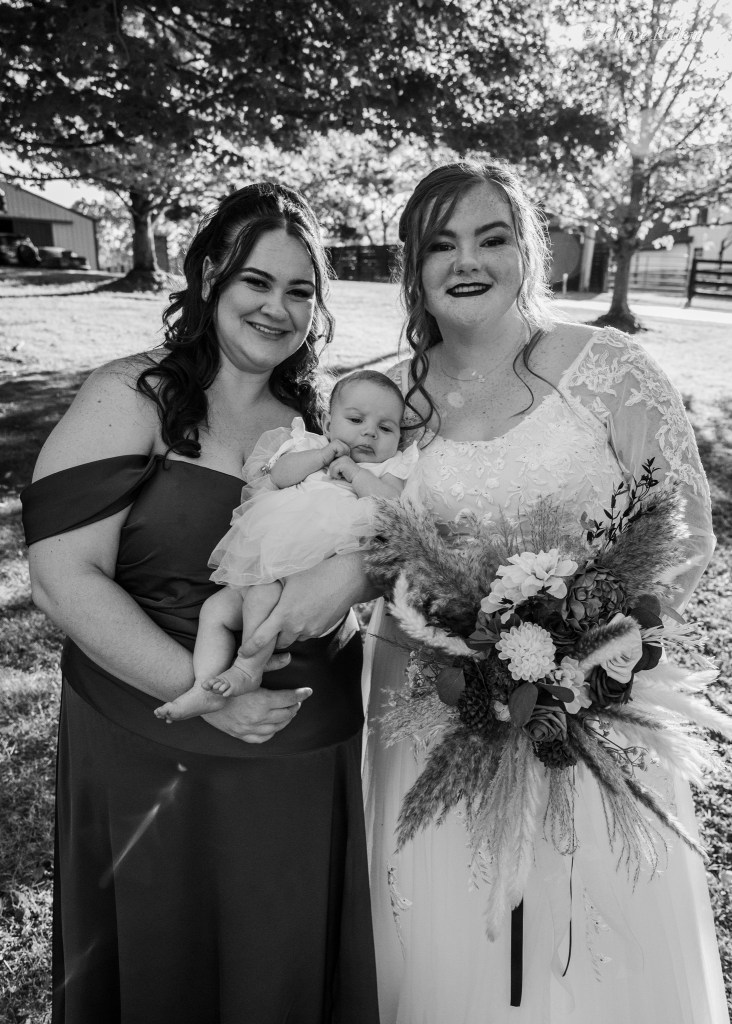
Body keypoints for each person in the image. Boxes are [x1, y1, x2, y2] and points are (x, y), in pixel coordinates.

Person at [362, 161, 729, 1023]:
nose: (467, 261)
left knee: (589, 940)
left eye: (491, 238)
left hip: (595, 710)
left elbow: (683, 529)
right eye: (441, 245)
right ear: (414, 266)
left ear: (527, 250)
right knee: (452, 942)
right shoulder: (392, 399)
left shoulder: (609, 367)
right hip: (434, 718)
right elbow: (367, 546)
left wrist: (595, 658)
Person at [21, 182, 381, 1024]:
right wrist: (211, 695)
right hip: (151, 732)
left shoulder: (322, 423)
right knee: (161, 966)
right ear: (212, 273)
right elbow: (62, 577)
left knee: (282, 963)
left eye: (300, 291)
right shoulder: (132, 395)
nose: (277, 308)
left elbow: (373, 541)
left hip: (305, 742)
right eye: (257, 280)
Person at [156, 370, 417, 723]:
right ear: (328, 424)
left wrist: (357, 474)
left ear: (399, 438)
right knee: (215, 612)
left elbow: (392, 507)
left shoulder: (387, 468)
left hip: (311, 578)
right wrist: (323, 456)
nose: (369, 432)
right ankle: (204, 687)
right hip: (268, 565)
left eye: (385, 428)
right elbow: (278, 476)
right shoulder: (307, 446)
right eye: (356, 420)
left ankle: (247, 668)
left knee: (262, 597)